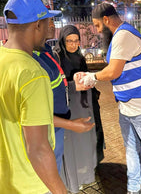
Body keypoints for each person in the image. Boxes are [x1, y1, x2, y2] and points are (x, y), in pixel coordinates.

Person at [81, 3, 141, 194]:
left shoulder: (124, 35)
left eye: (98, 26)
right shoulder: (120, 35)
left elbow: (114, 71)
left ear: (106, 20)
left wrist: (92, 77)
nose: (98, 31)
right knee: (132, 152)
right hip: (128, 108)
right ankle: (133, 190)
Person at [0, 0, 67, 193]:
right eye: (46, 22)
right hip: (29, 185)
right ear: (37, 25)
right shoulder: (33, 74)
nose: (48, 30)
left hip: (1, 181)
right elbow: (39, 150)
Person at [32, 15, 95, 173]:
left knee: (58, 161)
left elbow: (59, 84)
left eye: (53, 21)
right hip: (53, 124)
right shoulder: (33, 58)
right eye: (48, 21)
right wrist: (70, 124)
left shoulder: (47, 53)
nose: (52, 25)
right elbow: (33, 113)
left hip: (63, 119)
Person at [54, 25, 105, 193]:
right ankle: (72, 179)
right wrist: (73, 84)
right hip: (69, 106)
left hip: (84, 103)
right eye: (69, 41)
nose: (73, 44)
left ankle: (84, 172)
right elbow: (58, 85)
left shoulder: (79, 56)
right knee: (72, 143)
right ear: (63, 41)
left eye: (76, 41)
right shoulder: (57, 58)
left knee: (86, 139)